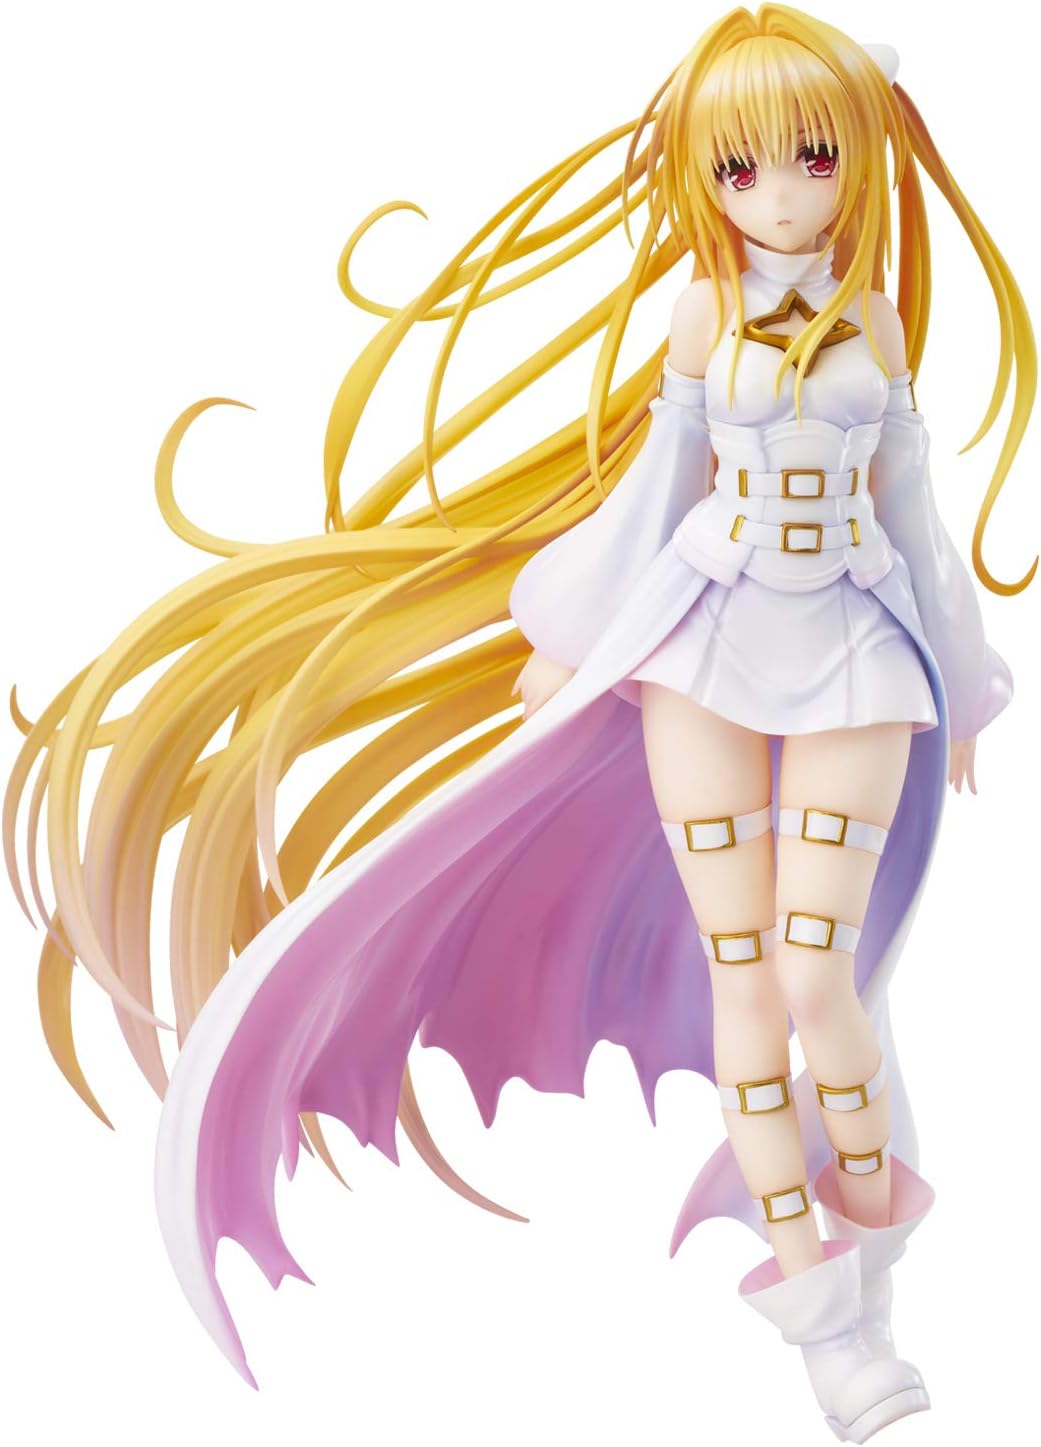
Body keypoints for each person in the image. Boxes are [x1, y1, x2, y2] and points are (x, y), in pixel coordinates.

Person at [4, 6, 1033, 1442]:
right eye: (740, 169)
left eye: (812, 157)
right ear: (705, 178)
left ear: (858, 153)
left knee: (822, 980)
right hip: (702, 647)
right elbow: (657, 488)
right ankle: (828, 1328)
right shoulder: (699, 314)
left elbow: (910, 506)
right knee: (747, 985)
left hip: (858, 650)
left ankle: (874, 1255)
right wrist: (575, 639)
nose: (783, 195)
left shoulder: (872, 323)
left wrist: (964, 677)